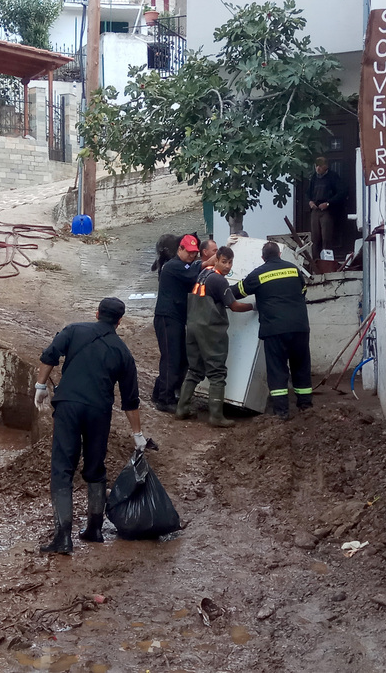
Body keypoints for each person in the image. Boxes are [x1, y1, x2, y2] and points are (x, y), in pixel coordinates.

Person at [33, 297, 147, 555]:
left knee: (62, 468)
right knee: (95, 467)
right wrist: (137, 434)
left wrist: (41, 384)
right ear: (120, 321)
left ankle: (63, 538)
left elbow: (50, 355)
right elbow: (131, 399)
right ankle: (94, 529)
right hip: (99, 412)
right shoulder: (122, 352)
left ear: (97, 313)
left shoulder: (74, 330)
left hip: (69, 407)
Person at [233, 242, 312, 420]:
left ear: (263, 258)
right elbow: (303, 292)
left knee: (277, 370)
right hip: (299, 327)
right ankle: (306, 407)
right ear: (279, 254)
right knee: (301, 366)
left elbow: (237, 292)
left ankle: (282, 413)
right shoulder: (293, 270)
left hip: (275, 329)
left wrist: (215, 289)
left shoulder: (258, 274)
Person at [176, 246, 253, 427]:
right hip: (210, 330)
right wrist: (253, 306)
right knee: (217, 372)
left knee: (195, 370)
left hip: (193, 326)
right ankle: (216, 416)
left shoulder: (203, 275)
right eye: (224, 261)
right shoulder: (219, 281)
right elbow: (233, 306)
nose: (227, 266)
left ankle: (181, 409)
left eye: (230, 262)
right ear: (216, 260)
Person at [151, 235, 215, 413]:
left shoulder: (183, 266)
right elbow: (197, 268)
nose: (192, 256)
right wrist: (218, 257)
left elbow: (195, 267)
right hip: (167, 318)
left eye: (195, 253)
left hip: (176, 318)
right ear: (180, 249)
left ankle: (160, 392)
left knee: (178, 358)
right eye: (189, 252)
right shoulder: (174, 266)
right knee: (172, 358)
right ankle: (165, 399)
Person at [307, 157, 346, 270]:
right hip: (315, 210)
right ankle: (315, 263)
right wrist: (310, 202)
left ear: (326, 167)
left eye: (320, 166)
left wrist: (329, 203)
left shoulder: (333, 177)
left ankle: (326, 264)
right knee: (314, 238)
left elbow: (342, 192)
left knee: (326, 237)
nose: (318, 168)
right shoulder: (314, 178)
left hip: (327, 211)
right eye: (316, 166)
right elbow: (307, 193)